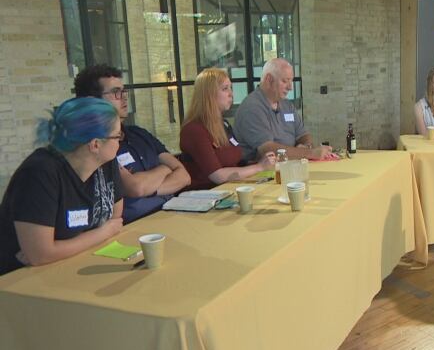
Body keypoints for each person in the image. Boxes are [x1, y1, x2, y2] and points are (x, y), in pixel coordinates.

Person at [0, 98, 124, 276]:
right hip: (20, 280)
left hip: (78, 263)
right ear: (95, 144)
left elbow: (116, 218)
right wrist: (102, 233)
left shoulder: (106, 164)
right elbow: (40, 255)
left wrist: (61, 247)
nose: (119, 143)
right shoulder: (39, 173)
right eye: (117, 136)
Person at [74, 65, 190, 223]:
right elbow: (135, 187)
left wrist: (147, 187)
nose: (124, 97)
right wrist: (164, 169)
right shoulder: (97, 144)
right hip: (136, 226)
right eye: (116, 92)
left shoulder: (139, 133)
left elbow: (184, 176)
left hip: (172, 213)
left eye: (124, 91)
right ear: (94, 101)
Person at [179, 68, 276, 190]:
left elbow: (238, 162)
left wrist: (263, 161)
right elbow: (217, 175)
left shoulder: (223, 124)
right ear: (208, 94)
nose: (231, 94)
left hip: (230, 189)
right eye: (225, 89)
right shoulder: (194, 130)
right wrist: (259, 167)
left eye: (231, 88)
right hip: (206, 196)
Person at [234, 58, 337, 160]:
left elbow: (303, 134)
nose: (290, 87)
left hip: (289, 166)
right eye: (285, 81)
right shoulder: (252, 108)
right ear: (269, 79)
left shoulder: (287, 105)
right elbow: (267, 150)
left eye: (291, 81)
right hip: (262, 172)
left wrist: (306, 145)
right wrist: (310, 153)